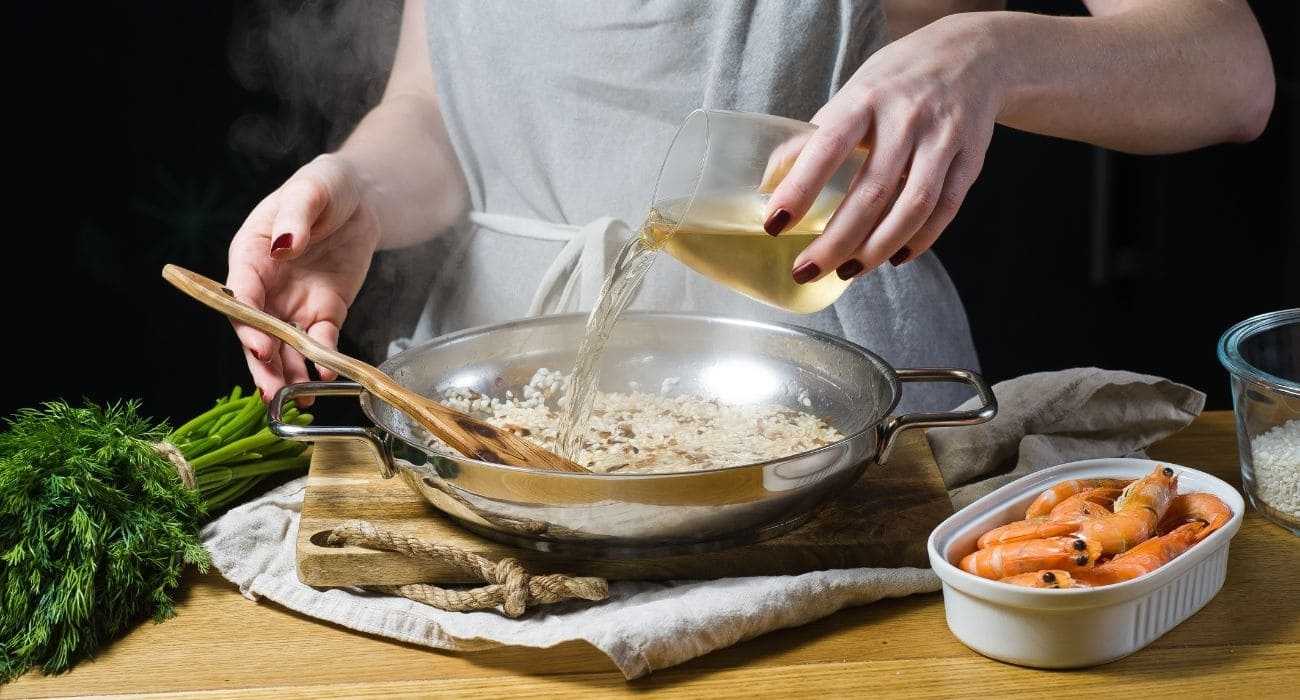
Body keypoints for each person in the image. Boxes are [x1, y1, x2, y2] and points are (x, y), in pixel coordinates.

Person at [226, 0, 1273, 410]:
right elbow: (437, 107)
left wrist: (988, 54)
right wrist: (360, 185)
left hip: (826, 419)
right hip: (494, 414)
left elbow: (1226, 71)